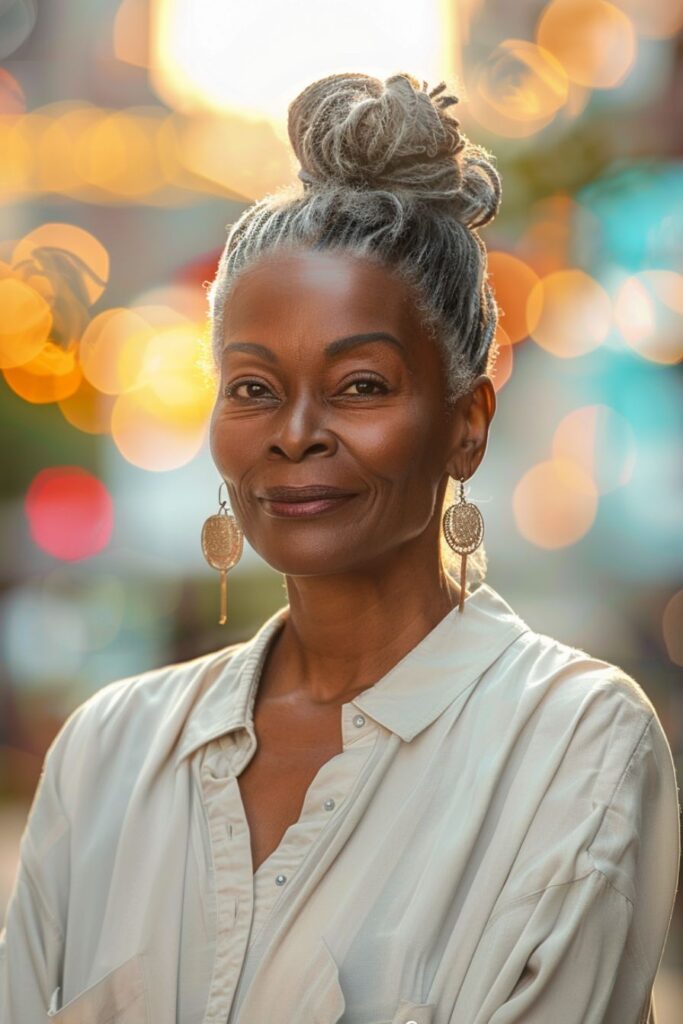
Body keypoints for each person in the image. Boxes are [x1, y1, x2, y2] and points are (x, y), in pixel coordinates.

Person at [0, 71, 679, 1024]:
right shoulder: (109, 752)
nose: (295, 432)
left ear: (466, 423)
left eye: (360, 385)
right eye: (251, 387)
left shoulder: (573, 742)